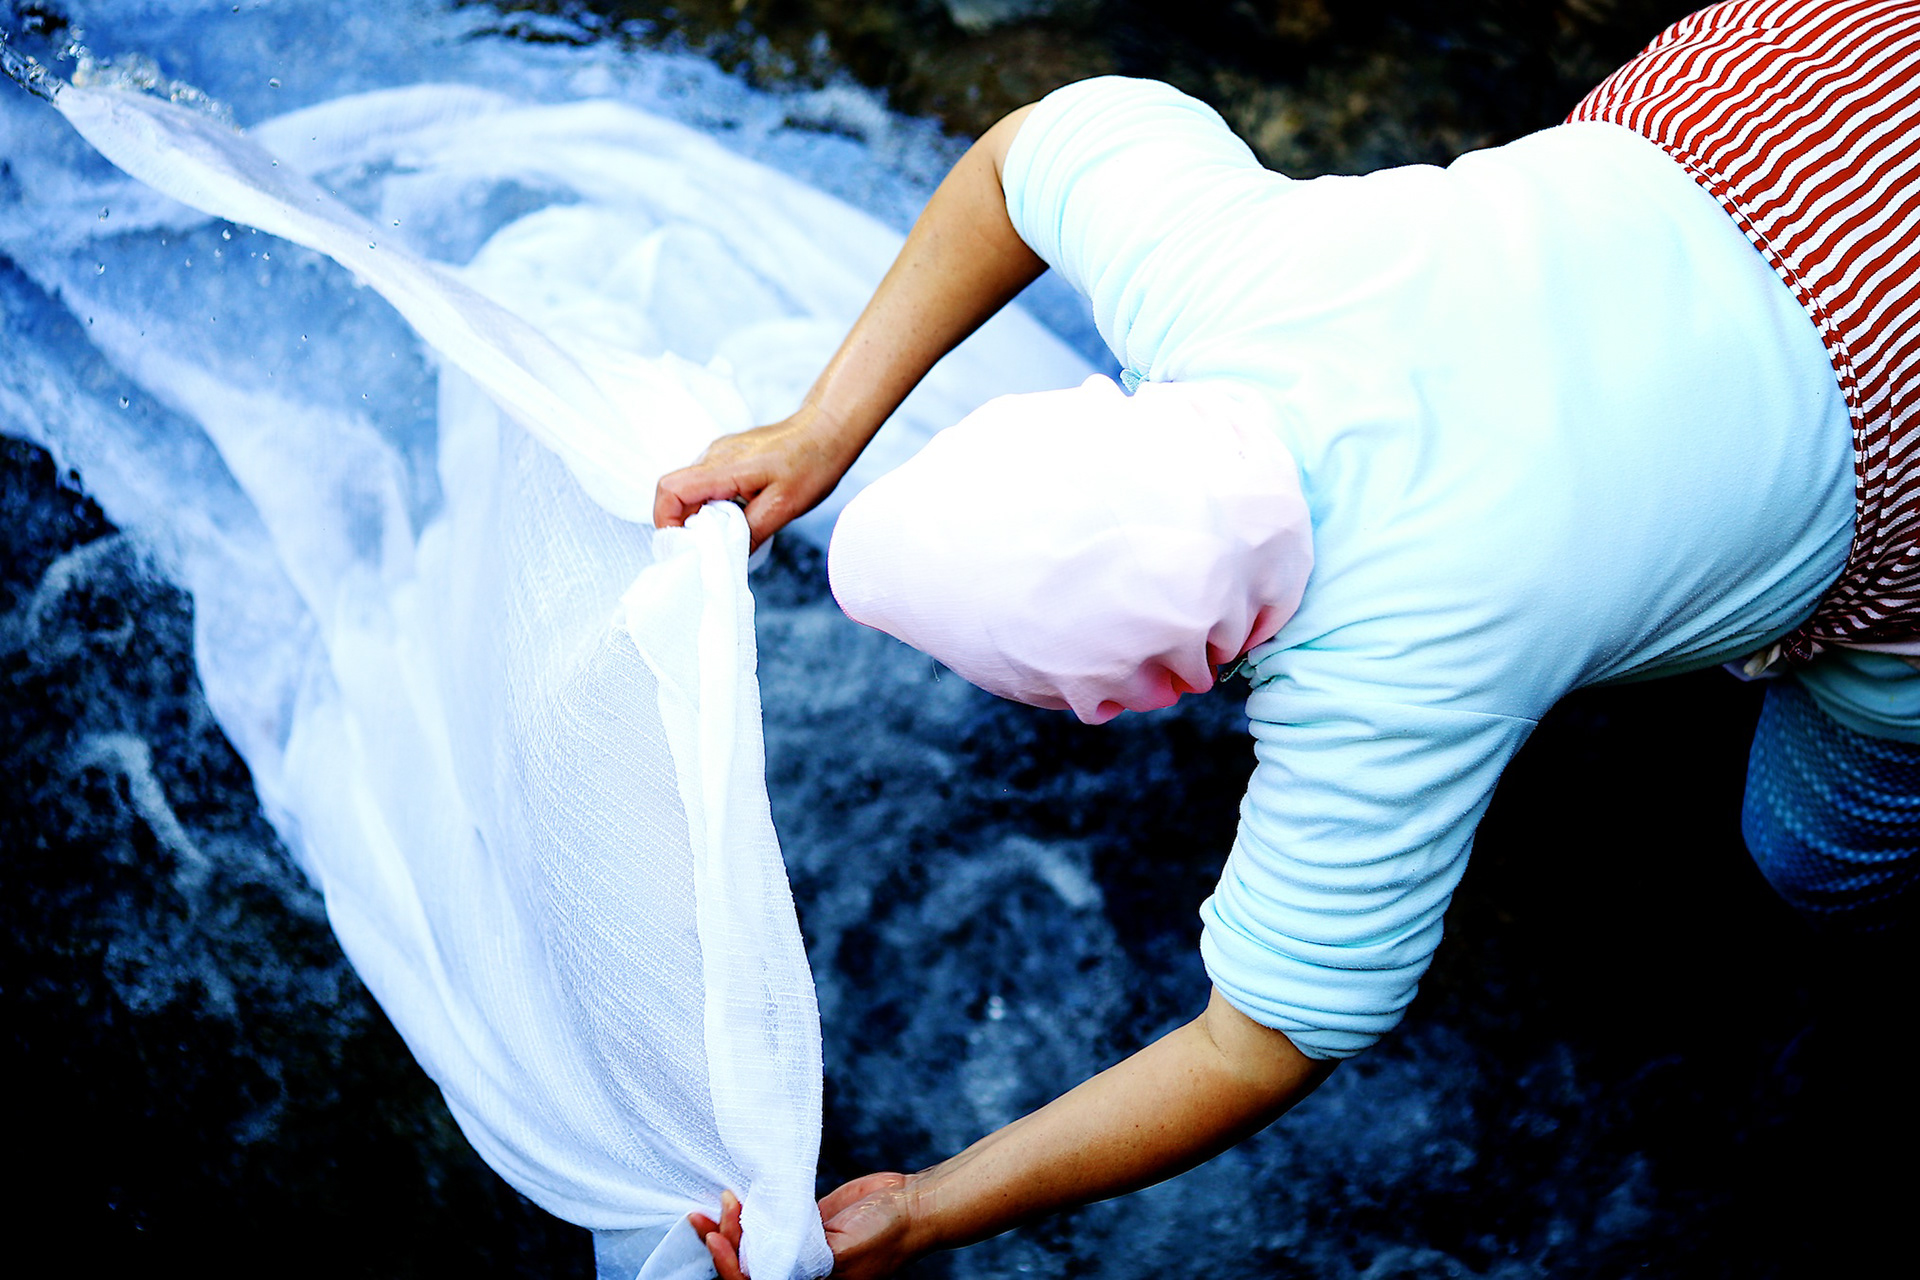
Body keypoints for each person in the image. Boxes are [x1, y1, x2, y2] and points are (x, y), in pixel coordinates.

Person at [658, 2, 1920, 1275]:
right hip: (1798, 97)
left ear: (1155, 690)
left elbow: (1258, 1041)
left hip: (1901, 413)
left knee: (1808, 845)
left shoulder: (1392, 678)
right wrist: (822, 428)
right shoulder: (1218, 269)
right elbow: (1021, 160)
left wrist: (929, 1203)